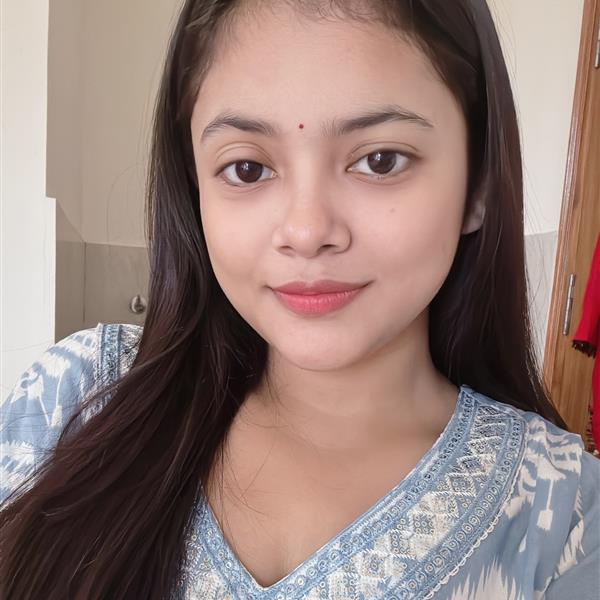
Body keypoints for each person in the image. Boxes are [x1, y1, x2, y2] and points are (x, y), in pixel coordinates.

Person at [1, 1, 599, 598]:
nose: (307, 231)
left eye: (380, 161)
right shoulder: (73, 401)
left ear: (479, 184)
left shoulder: (566, 513)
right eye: (247, 169)